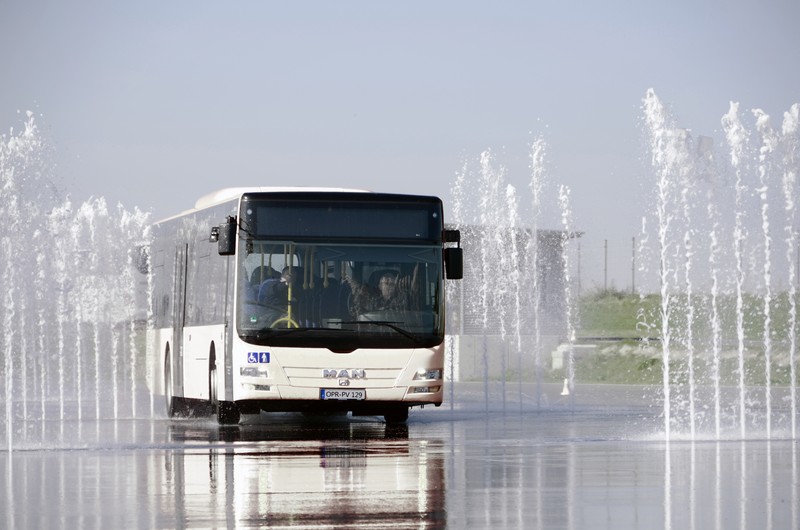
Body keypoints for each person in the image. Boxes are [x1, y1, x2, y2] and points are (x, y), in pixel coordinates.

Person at [346, 265, 418, 316]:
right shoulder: (372, 302)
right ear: (380, 286)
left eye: (392, 283)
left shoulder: (403, 301)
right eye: (386, 283)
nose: (389, 286)